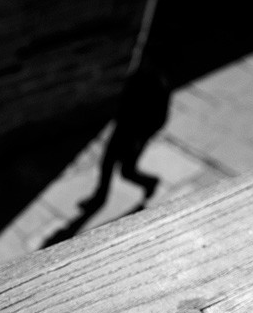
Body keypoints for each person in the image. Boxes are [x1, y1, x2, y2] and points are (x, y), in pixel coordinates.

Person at [44, 53, 171, 246]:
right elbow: (125, 102)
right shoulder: (136, 76)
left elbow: (158, 120)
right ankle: (100, 197)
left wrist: (140, 137)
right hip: (122, 128)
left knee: (127, 171)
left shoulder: (159, 86)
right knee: (106, 163)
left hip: (135, 135)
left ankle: (150, 182)